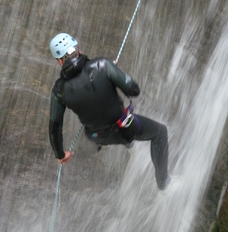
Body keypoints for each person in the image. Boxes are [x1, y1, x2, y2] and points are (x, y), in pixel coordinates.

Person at [49, 33, 170, 190]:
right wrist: (112, 73)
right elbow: (134, 90)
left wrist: (60, 154)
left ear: (60, 61)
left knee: (104, 126)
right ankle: (164, 184)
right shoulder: (102, 65)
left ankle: (130, 147)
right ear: (78, 50)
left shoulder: (58, 90)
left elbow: (54, 128)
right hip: (125, 128)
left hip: (96, 136)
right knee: (160, 133)